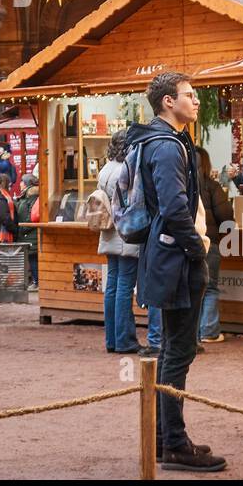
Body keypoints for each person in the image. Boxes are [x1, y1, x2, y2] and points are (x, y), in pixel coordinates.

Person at [129, 71, 226, 473]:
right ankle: (173, 444)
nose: (196, 101)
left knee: (171, 349)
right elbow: (173, 207)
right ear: (168, 102)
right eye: (189, 95)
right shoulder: (167, 146)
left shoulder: (159, 140)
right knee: (178, 352)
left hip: (165, 255)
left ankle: (166, 438)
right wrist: (196, 252)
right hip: (176, 258)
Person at [98, 130, 141, 353]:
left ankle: (112, 339)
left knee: (112, 285)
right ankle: (125, 340)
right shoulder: (126, 169)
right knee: (125, 285)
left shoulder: (105, 169)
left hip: (108, 232)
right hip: (125, 232)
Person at [194, 146, 234, 346]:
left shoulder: (180, 185)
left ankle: (192, 333)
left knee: (192, 289)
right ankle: (209, 330)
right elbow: (226, 216)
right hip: (210, 243)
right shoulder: (212, 186)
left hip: (188, 244)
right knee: (210, 288)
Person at [14, 175, 40, 288]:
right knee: (31, 259)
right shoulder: (26, 196)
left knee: (33, 258)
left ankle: (37, 282)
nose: (20, 183)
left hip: (30, 233)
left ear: (27, 183)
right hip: (26, 232)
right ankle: (34, 280)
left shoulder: (33, 196)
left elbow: (33, 216)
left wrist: (23, 227)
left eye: (22, 181)